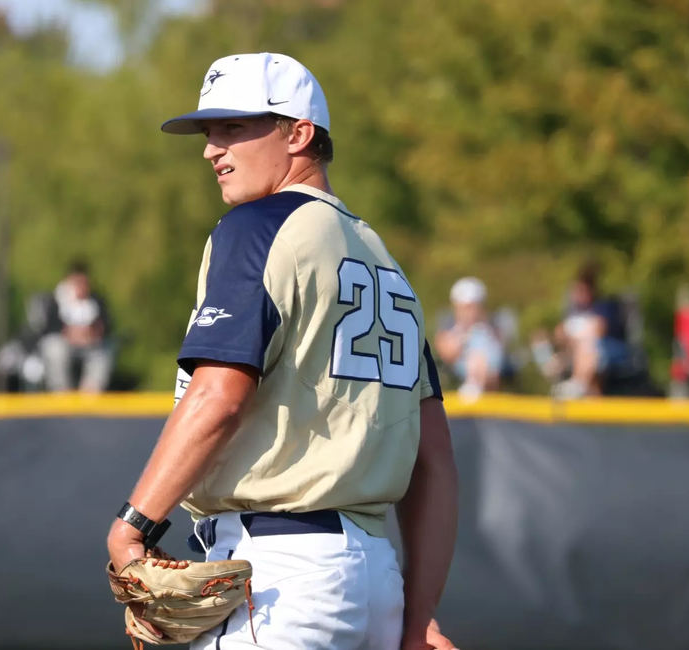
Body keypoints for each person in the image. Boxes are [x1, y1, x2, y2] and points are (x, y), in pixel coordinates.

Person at [106, 53, 460, 650]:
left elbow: (219, 396)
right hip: (375, 582)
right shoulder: (383, 261)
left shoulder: (261, 226)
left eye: (233, 129)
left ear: (298, 133)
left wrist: (135, 523)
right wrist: (420, 617)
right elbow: (436, 465)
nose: (210, 150)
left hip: (280, 580)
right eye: (208, 133)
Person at [532, 261, 630, 399]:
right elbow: (559, 334)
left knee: (587, 347)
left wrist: (576, 338)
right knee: (542, 341)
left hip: (605, 351)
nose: (577, 295)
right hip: (574, 352)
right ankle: (570, 383)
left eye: (580, 291)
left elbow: (599, 330)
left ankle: (577, 386)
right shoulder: (572, 313)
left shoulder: (602, 307)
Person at [39, 260, 114, 393]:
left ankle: (90, 394)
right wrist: (70, 333)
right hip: (65, 345)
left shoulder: (96, 301)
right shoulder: (56, 301)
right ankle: (61, 394)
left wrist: (92, 333)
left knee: (103, 353)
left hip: (90, 346)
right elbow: (47, 329)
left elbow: (107, 326)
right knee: (54, 349)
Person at [434, 277, 505, 402]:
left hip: (489, 378)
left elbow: (498, 359)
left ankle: (475, 387)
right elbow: (447, 353)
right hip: (459, 370)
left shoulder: (492, 326)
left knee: (479, 343)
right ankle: (473, 386)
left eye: (474, 306)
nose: (471, 311)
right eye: (466, 307)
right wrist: (464, 333)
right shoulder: (448, 326)